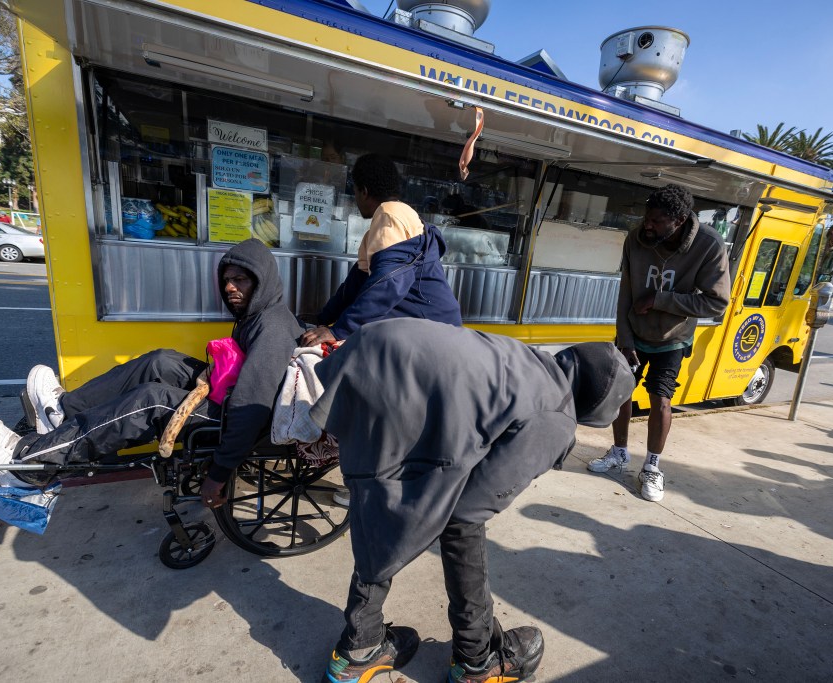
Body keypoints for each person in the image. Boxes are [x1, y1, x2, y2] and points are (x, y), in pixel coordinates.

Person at [312, 318, 635, 683]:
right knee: (461, 521)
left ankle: (359, 648)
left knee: (378, 507)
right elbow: (468, 510)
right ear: (598, 406)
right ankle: (476, 662)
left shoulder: (532, 362)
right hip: (393, 376)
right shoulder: (556, 415)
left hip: (372, 349)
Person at [0, 239, 304, 502]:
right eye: (227, 280)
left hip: (245, 418)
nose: (230, 288)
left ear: (262, 280)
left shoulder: (271, 329)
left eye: (241, 280)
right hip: (230, 390)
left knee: (153, 399)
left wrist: (218, 475)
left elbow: (251, 410)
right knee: (160, 360)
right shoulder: (255, 313)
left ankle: (31, 463)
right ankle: (64, 412)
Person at [587, 184, 731, 502]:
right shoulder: (636, 240)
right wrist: (625, 340)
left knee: (660, 400)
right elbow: (625, 292)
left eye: (657, 220)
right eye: (646, 217)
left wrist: (660, 300)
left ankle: (652, 467)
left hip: (672, 338)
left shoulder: (708, 244)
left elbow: (717, 303)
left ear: (679, 220)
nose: (647, 225)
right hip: (634, 333)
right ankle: (620, 453)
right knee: (621, 393)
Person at [300, 153, 461, 346]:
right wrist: (323, 319)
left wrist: (338, 330)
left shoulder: (390, 215)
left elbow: (387, 284)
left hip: (434, 331)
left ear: (364, 191)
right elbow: (355, 284)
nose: (355, 198)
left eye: (355, 192)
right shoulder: (389, 220)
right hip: (430, 323)